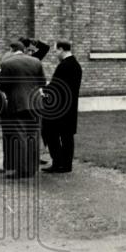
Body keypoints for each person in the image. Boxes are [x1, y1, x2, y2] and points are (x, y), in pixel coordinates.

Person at [0, 39, 46, 178]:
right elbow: (42, 82)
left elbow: (3, 85)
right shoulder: (35, 61)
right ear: (23, 50)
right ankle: (32, 168)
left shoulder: (7, 63)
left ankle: (23, 170)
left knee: (20, 136)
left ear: (12, 50)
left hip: (18, 104)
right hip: (36, 103)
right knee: (33, 135)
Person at [40, 40, 83, 173]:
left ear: (61, 49)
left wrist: (44, 91)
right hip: (70, 107)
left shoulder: (64, 66)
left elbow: (56, 87)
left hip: (58, 108)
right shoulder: (76, 65)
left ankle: (58, 163)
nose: (55, 54)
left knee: (50, 133)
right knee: (67, 136)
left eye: (56, 51)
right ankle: (66, 165)